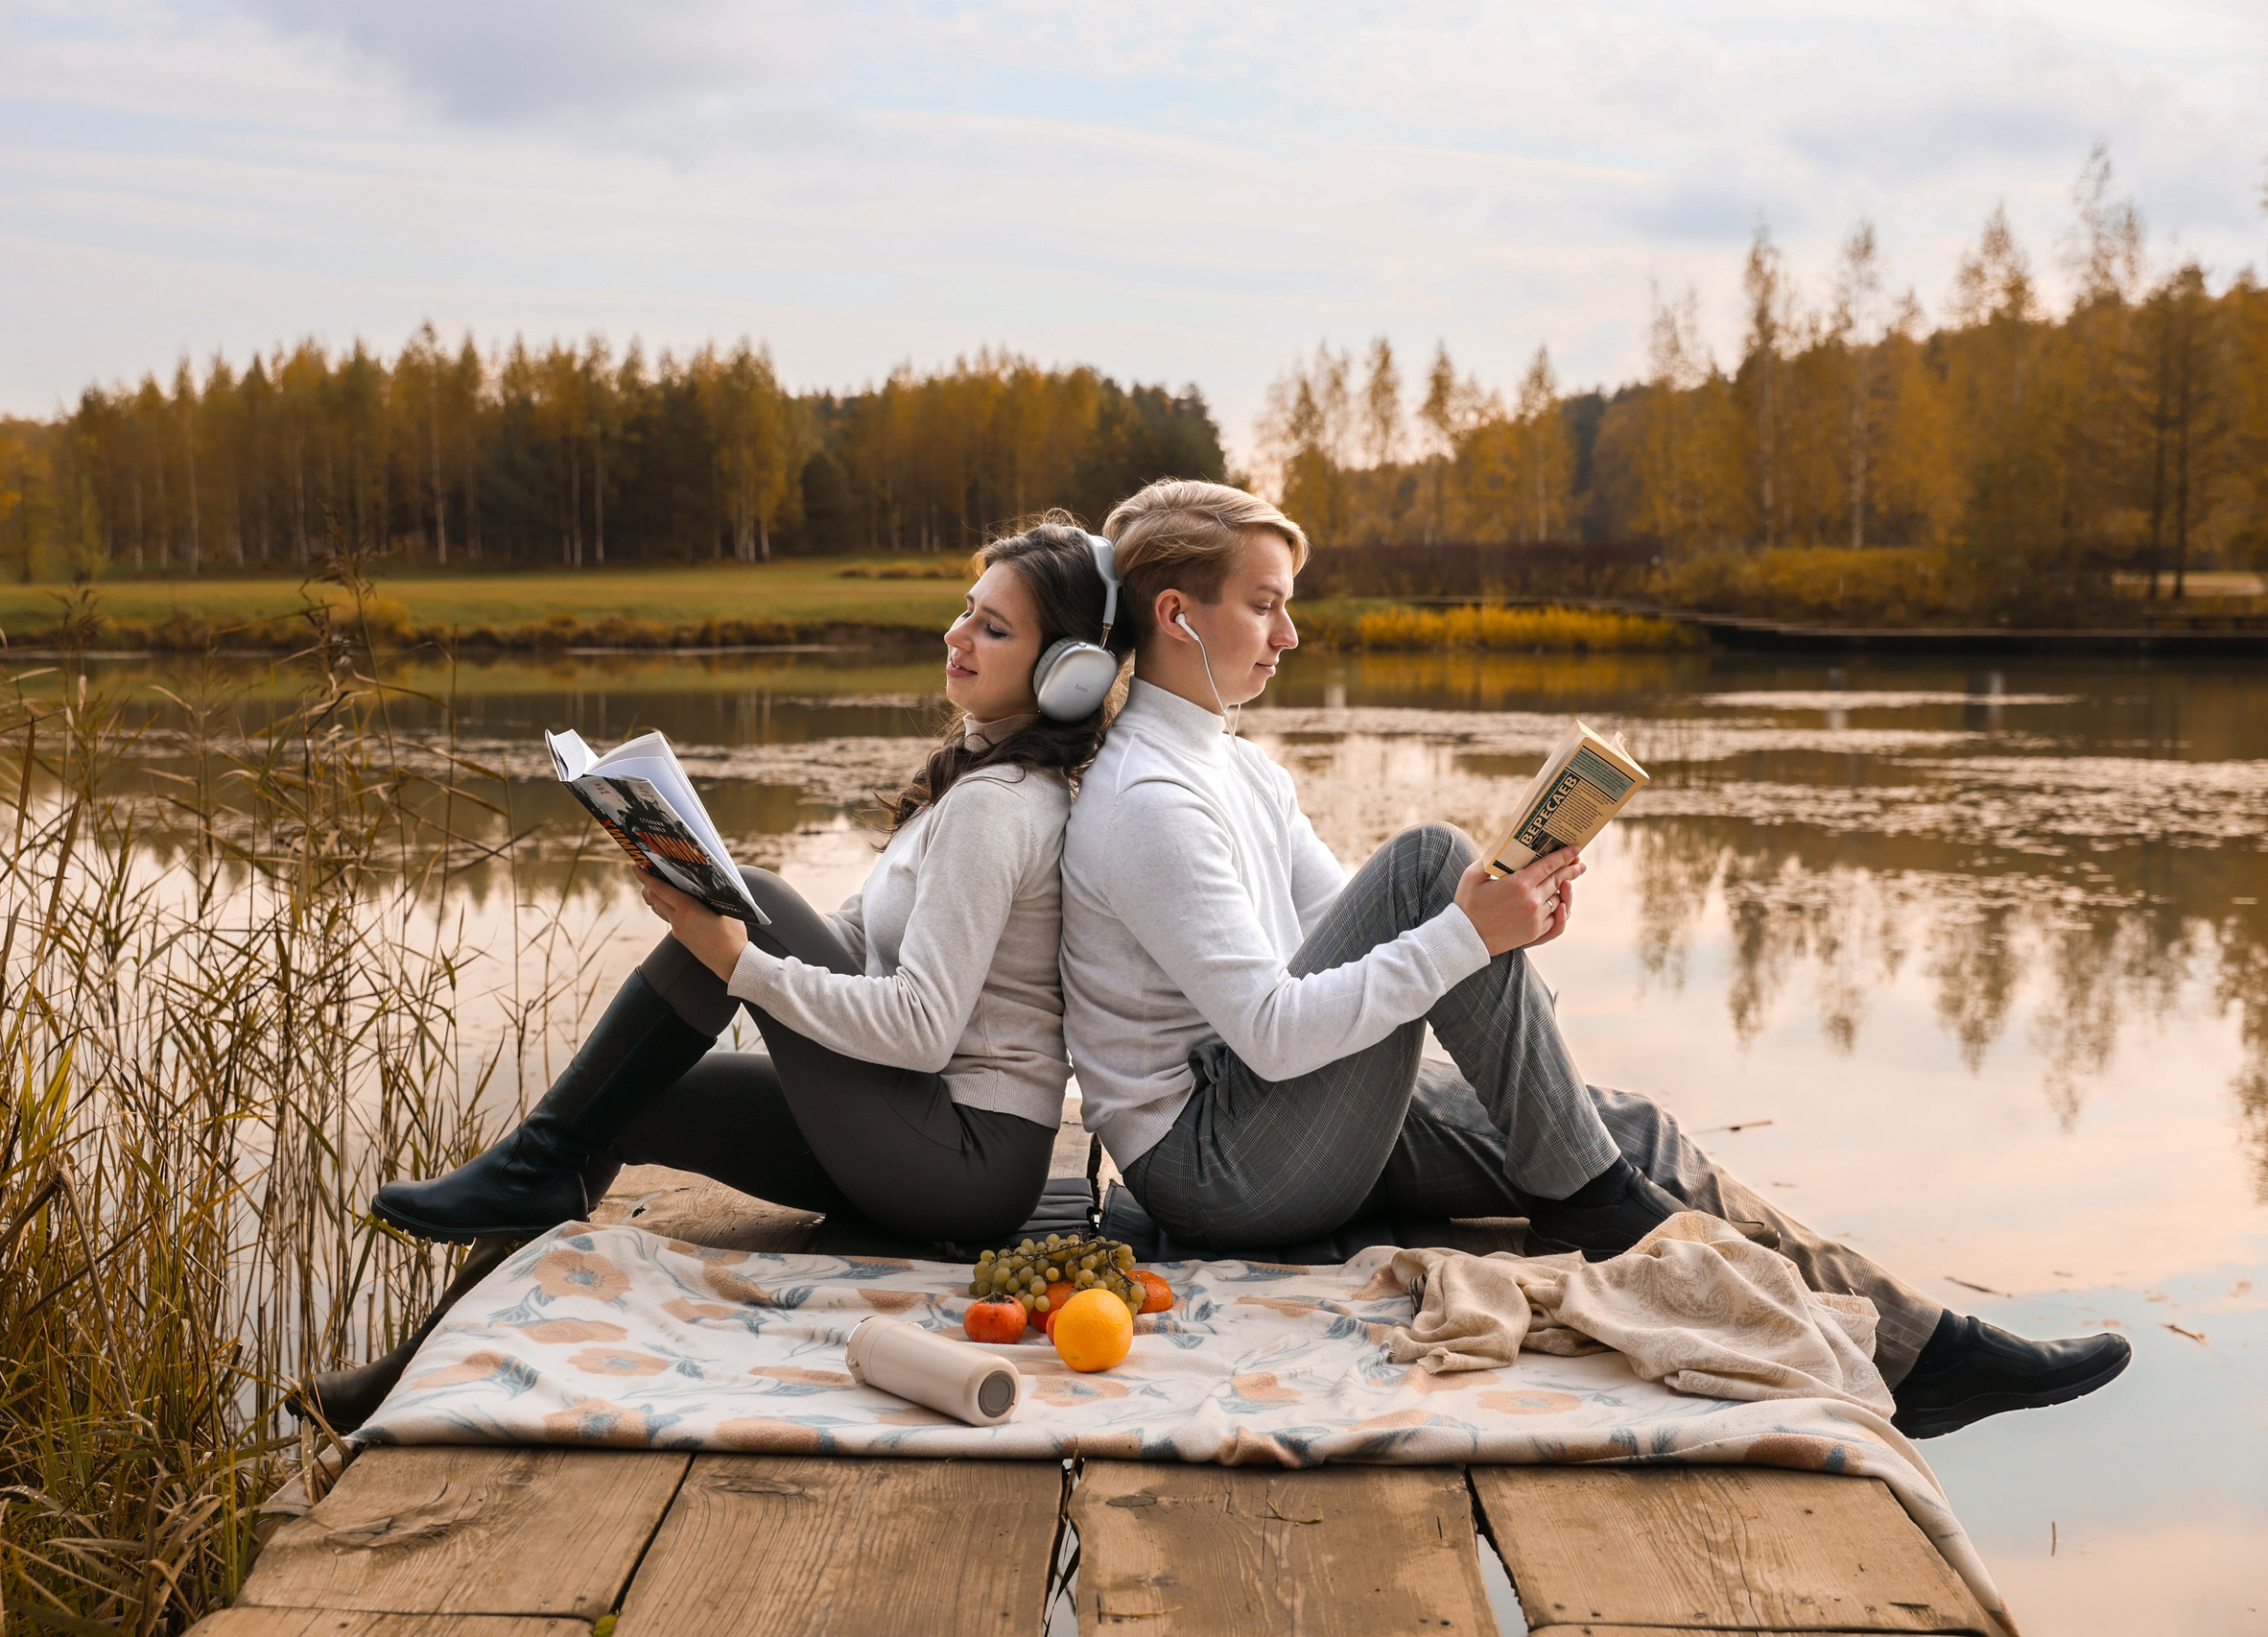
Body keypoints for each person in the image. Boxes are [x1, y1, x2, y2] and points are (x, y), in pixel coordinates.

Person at [1057, 478, 2130, 1438]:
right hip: (1216, 1164)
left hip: (1275, 1115)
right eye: (1264, 602)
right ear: (1175, 612)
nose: (1289, 631)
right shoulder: (1149, 794)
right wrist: (1470, 929)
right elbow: (1276, 1031)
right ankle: (1589, 1192)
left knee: (1632, 1124)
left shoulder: (1238, 768)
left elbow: (1346, 935)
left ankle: (1920, 1347)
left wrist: (1502, 930)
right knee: (1436, 864)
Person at [371, 518, 1130, 1250]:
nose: (955, 635)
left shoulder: (997, 806)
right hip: (920, 1134)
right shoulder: (978, 779)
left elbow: (922, 1030)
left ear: (1067, 674)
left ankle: (527, 1164)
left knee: (756, 899)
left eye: (993, 628)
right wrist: (706, 880)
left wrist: (741, 961)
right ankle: (511, 1210)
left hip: (966, 1161)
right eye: (967, 610)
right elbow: (859, 939)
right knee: (631, 1100)